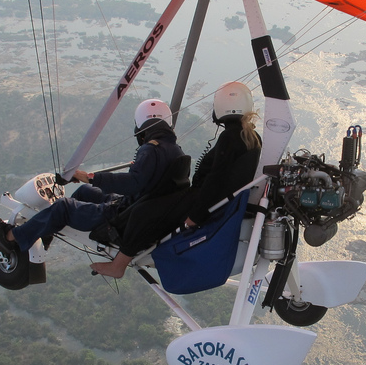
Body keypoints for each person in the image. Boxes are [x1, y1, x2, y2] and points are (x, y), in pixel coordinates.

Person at [90, 81, 262, 279]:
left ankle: (118, 266)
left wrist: (196, 215)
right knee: (148, 206)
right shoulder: (250, 136)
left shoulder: (230, 137)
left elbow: (215, 179)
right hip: (213, 202)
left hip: (200, 200)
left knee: (143, 213)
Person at [0, 99, 185, 256]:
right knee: (84, 193)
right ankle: (44, 231)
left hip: (122, 218)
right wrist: (89, 182)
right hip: (137, 209)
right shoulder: (174, 150)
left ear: (141, 128)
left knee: (63, 206)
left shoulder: (151, 150)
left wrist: (89, 176)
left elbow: (132, 183)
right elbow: (146, 182)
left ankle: (11, 238)